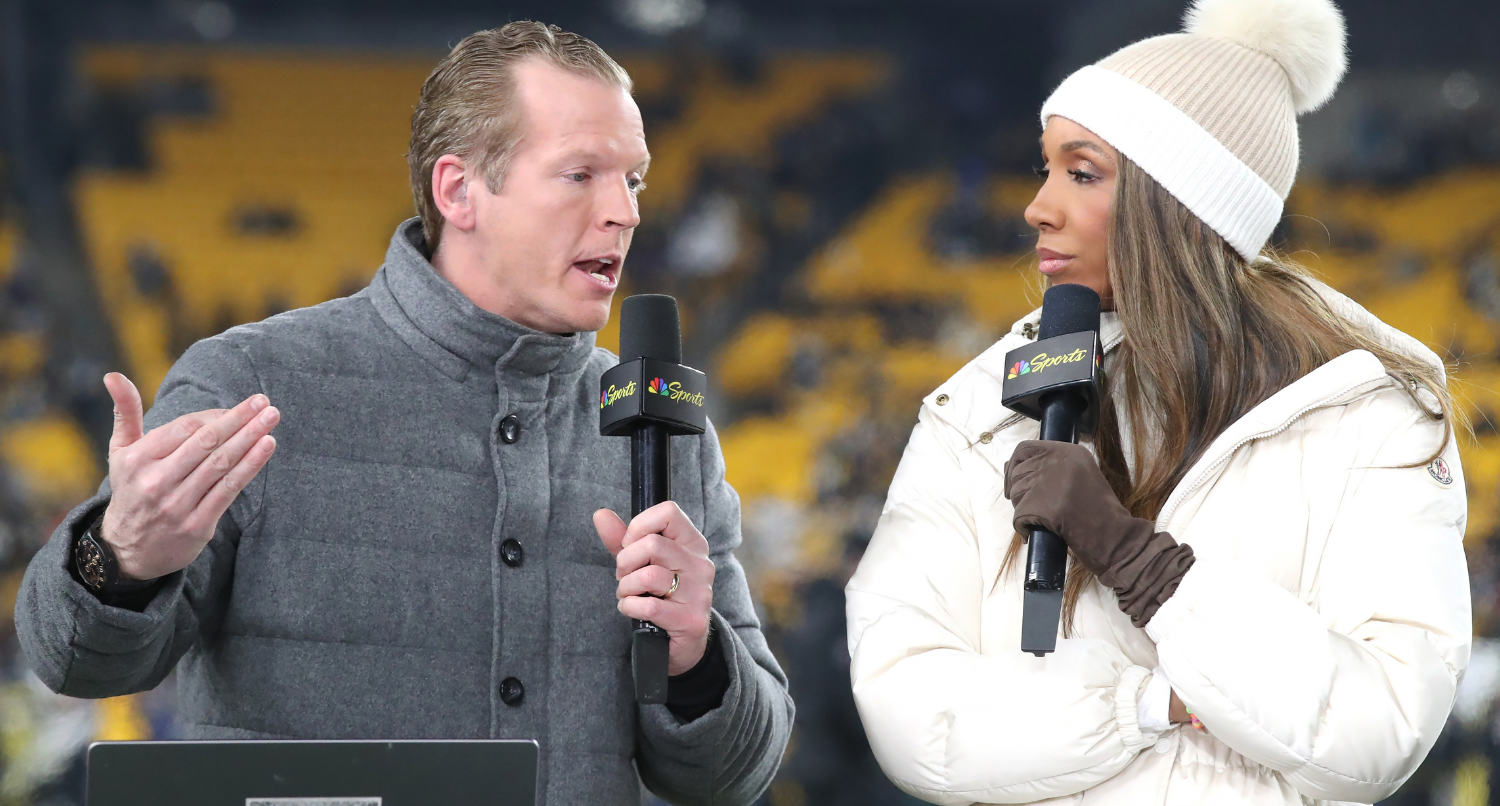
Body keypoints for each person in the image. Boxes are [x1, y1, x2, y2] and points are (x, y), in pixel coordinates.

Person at [16, 22, 792, 805]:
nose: (623, 212)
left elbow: (736, 776)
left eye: (635, 181)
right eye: (580, 174)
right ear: (459, 191)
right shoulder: (252, 382)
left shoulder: (665, 433)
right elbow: (75, 662)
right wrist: (117, 559)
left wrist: (698, 657)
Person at [845, 0, 1470, 803]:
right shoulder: (977, 409)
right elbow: (911, 716)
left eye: (1081, 172)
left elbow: (1380, 728)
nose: (1038, 205)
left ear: (1179, 202)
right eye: (1045, 169)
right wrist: (1151, 704)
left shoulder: (1367, 415)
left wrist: (1146, 566)